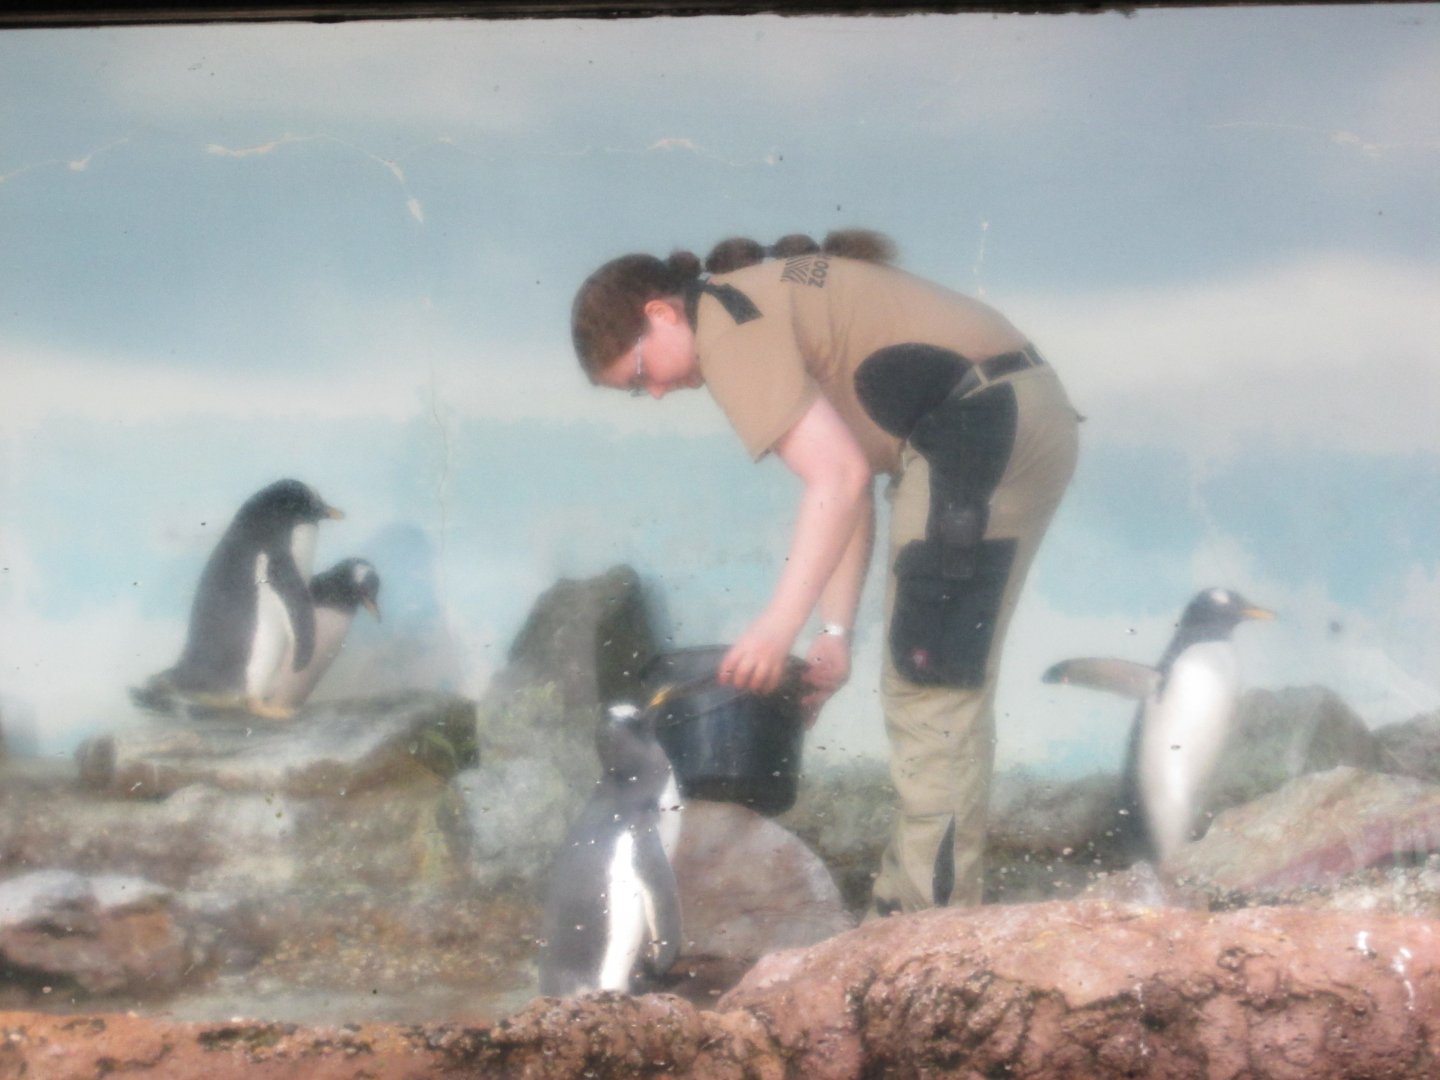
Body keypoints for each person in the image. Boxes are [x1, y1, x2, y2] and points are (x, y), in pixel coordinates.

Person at [570, 230, 1080, 914]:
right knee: (927, 675)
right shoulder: (744, 304)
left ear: (661, 314)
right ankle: (925, 910)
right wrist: (833, 633)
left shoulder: (727, 326)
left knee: (929, 680)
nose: (656, 392)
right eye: (638, 392)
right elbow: (848, 487)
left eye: (640, 375)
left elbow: (835, 480)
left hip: (980, 424)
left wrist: (777, 629)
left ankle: (926, 925)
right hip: (990, 417)